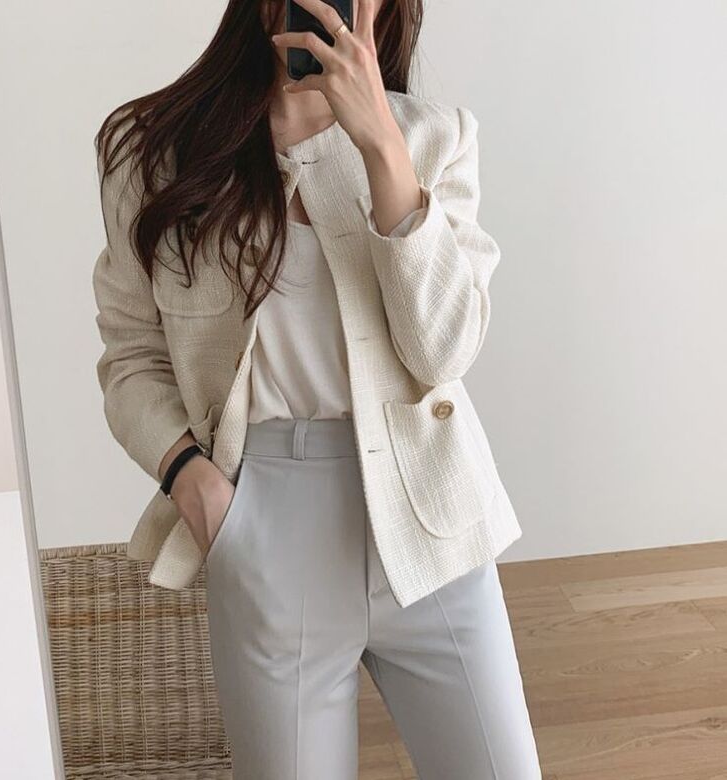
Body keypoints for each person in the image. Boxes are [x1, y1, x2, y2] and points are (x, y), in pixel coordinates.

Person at [92, 0, 542, 777]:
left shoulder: (433, 137)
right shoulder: (151, 152)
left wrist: (383, 149)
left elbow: (442, 353)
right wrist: (197, 485)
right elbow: (131, 357)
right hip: (266, 525)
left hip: (430, 520)